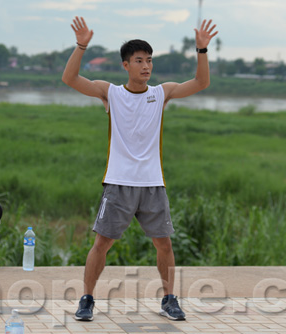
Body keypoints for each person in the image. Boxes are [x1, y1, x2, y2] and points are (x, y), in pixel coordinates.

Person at [62, 16, 218, 321]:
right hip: (118, 182)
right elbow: (70, 79)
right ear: (125, 65)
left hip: (152, 183)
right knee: (101, 243)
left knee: (164, 243)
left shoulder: (161, 93)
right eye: (139, 60)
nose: (146, 66)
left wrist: (202, 51)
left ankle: (169, 299)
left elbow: (201, 83)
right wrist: (81, 46)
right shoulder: (111, 93)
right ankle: (87, 299)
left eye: (149, 60)